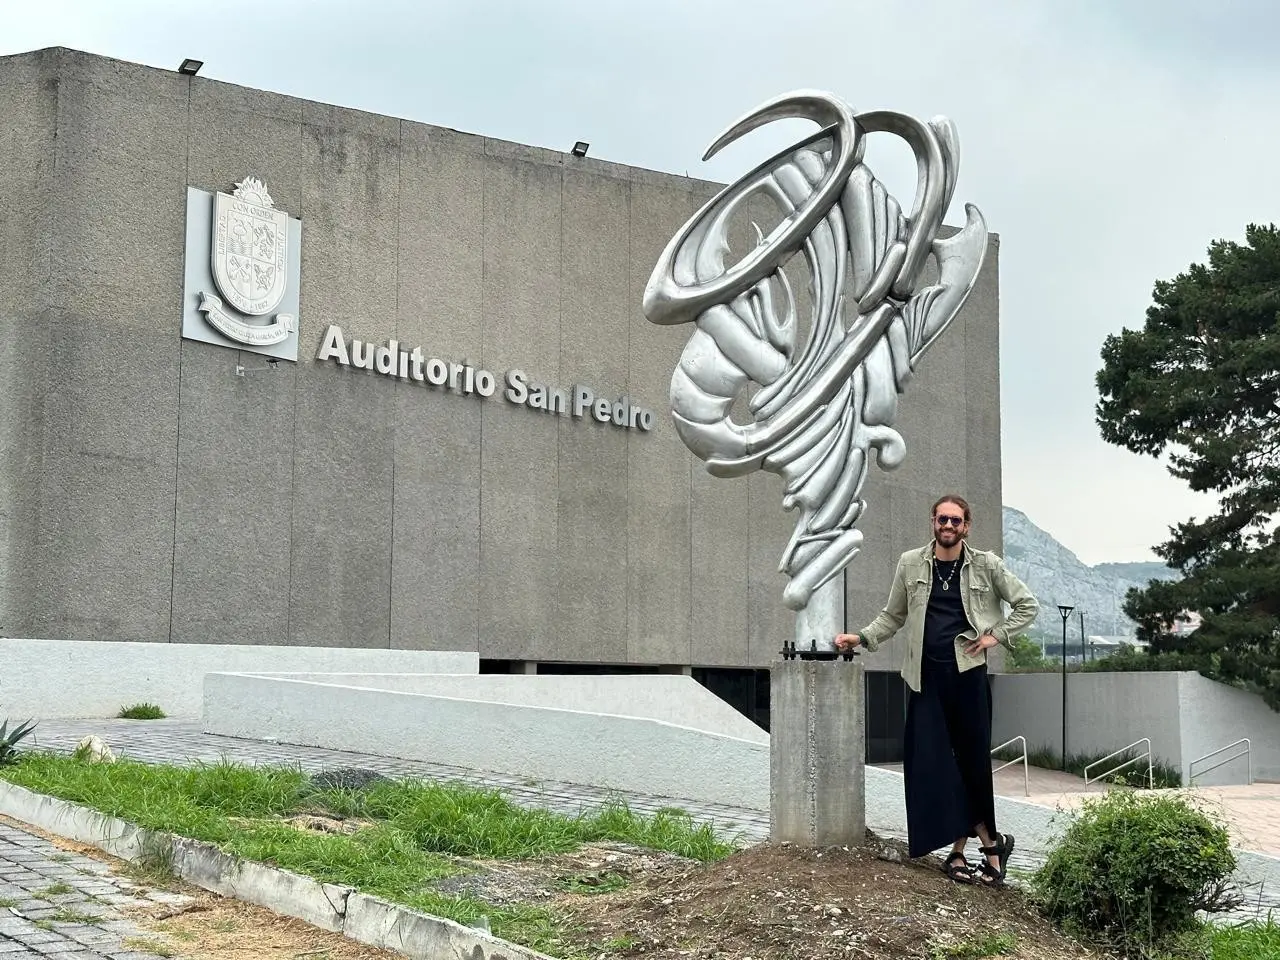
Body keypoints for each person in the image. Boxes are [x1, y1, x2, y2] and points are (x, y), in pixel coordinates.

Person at [835, 494, 1038, 887]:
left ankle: (962, 854)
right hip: (924, 679)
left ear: (967, 526)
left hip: (968, 678)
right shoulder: (911, 563)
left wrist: (995, 636)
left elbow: (1027, 605)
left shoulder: (986, 565)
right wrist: (861, 637)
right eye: (942, 519)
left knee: (970, 765)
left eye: (956, 521)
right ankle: (992, 844)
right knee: (933, 765)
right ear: (933, 521)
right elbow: (893, 615)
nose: (948, 526)